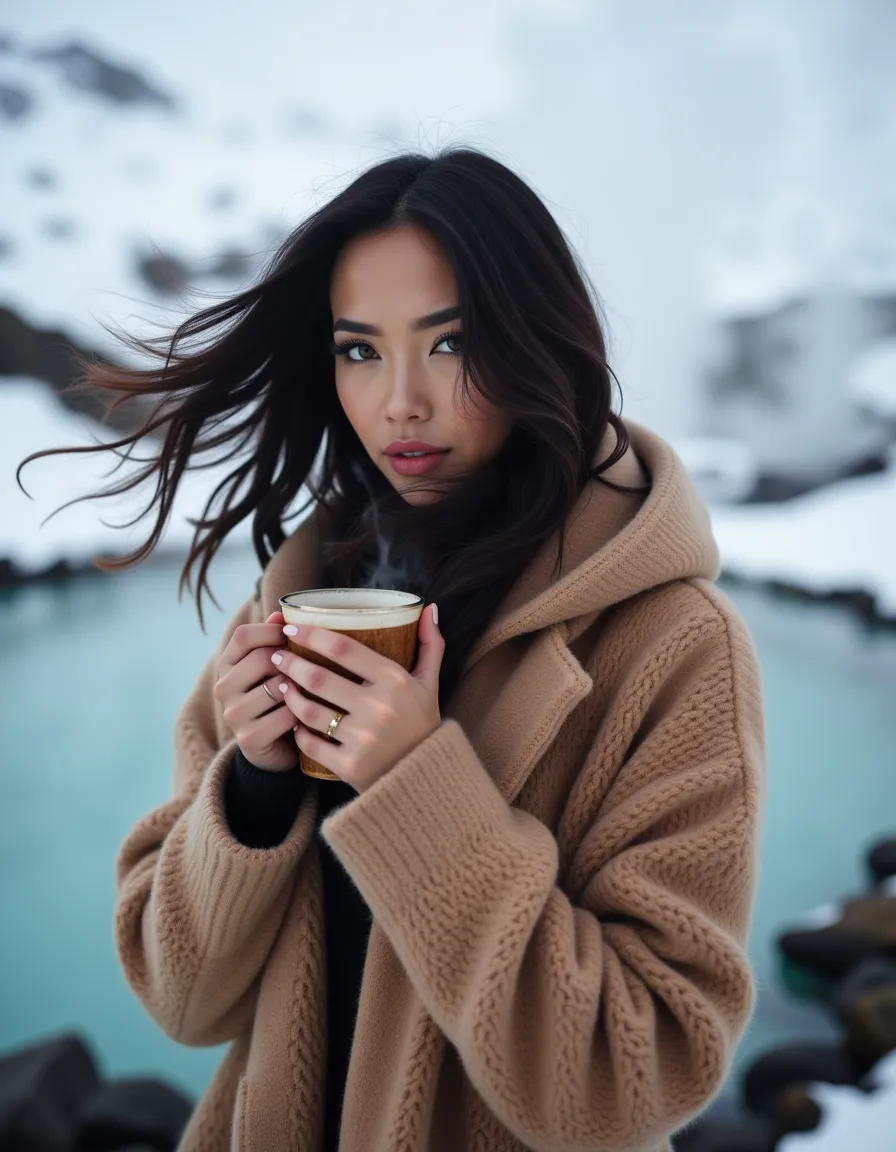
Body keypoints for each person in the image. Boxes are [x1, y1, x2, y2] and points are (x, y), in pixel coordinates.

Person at [20, 147, 766, 1151]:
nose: (399, 401)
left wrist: (416, 786)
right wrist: (253, 793)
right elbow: (182, 1000)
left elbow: (631, 1080)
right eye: (358, 350)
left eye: (450, 344)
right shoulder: (290, 613)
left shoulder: (675, 649)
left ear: (536, 342)